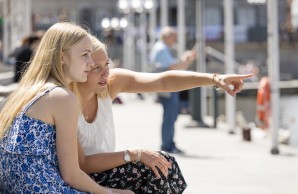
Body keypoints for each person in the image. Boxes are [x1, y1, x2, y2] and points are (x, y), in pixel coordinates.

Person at [70, 35, 252, 194]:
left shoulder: (110, 84)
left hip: (106, 170)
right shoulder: (65, 101)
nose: (105, 73)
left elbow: (163, 82)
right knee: (150, 169)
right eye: (96, 68)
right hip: (81, 178)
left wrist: (213, 79)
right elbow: (82, 164)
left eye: (107, 64)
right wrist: (136, 154)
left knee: (164, 164)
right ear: (80, 68)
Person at [0, 22, 132, 194]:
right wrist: (110, 192)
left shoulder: (30, 90)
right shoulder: (61, 97)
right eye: (85, 55)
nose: (91, 63)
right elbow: (71, 174)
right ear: (62, 57)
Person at [149, 26, 197, 153]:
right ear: (167, 36)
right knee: (169, 117)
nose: (175, 39)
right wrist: (185, 59)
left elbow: (176, 68)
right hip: (167, 89)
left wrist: (187, 60)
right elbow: (174, 67)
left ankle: (169, 143)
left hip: (168, 88)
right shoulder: (161, 49)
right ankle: (167, 145)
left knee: (171, 116)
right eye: (173, 36)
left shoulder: (162, 48)